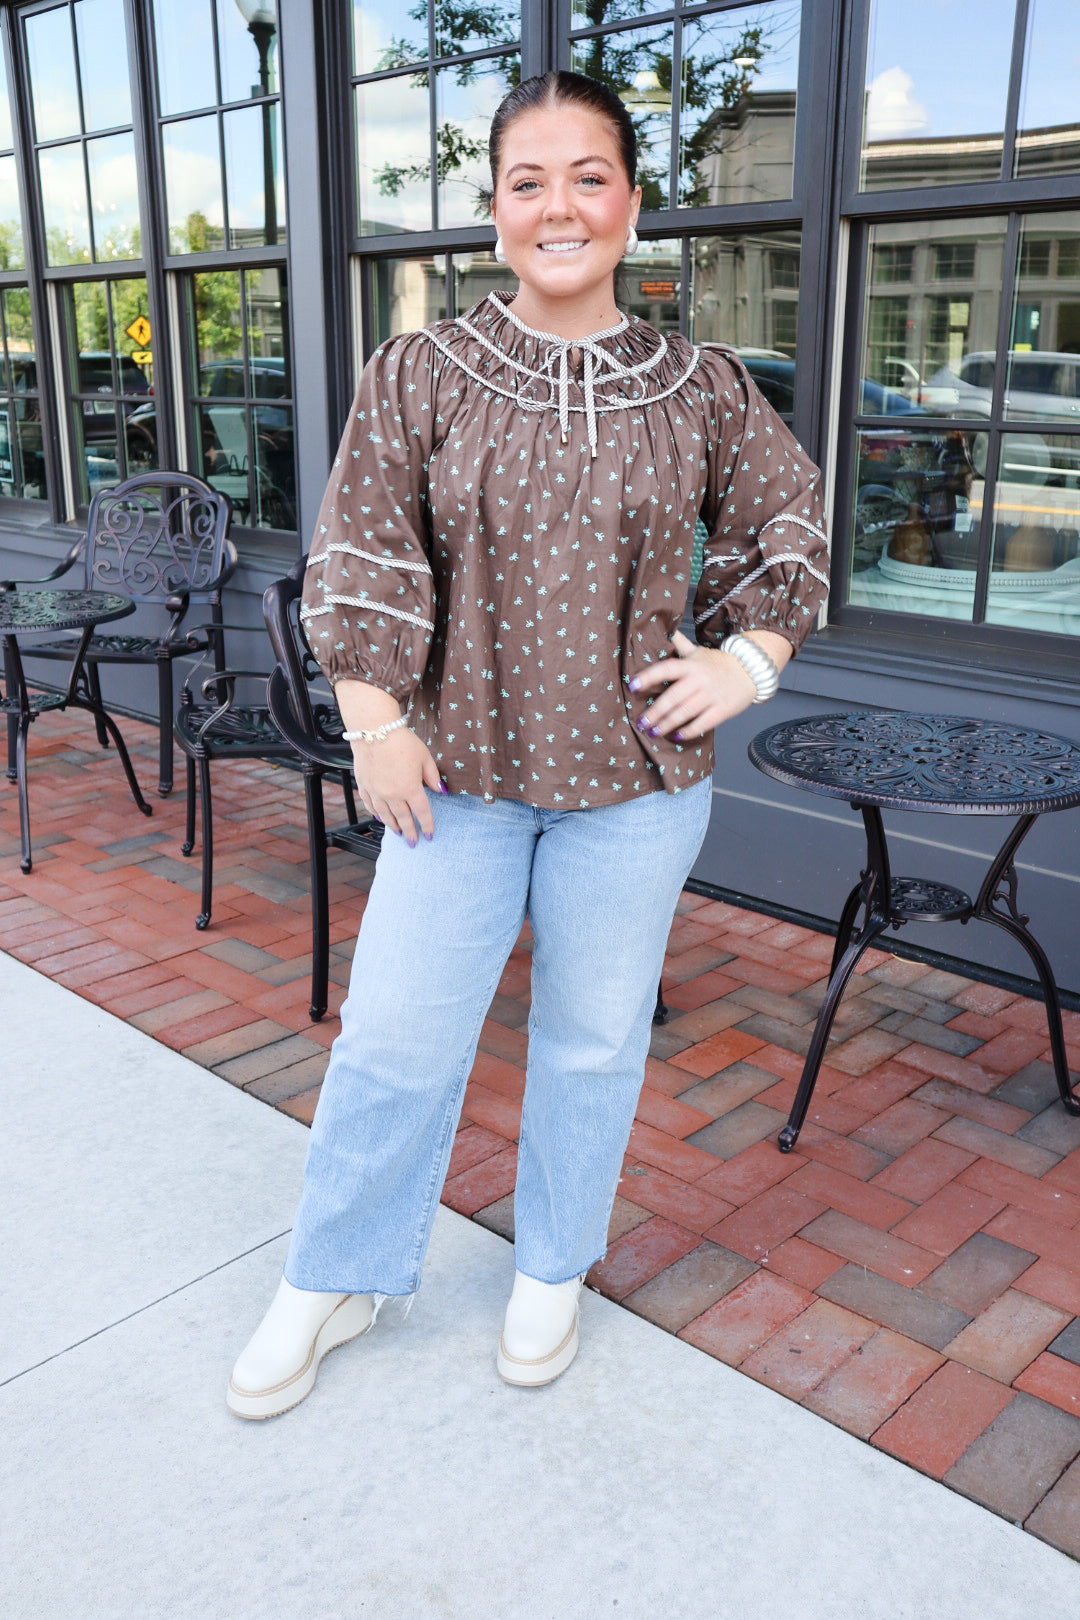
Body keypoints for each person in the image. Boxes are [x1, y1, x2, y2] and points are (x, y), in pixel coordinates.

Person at [227, 70, 829, 1420]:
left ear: (631, 203)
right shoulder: (421, 371)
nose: (560, 206)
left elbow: (788, 524)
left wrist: (746, 662)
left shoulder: (703, 386)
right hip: (457, 778)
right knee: (394, 1036)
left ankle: (552, 1268)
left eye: (588, 177)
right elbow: (361, 548)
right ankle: (336, 1275)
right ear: (496, 210)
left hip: (639, 786)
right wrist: (373, 721)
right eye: (528, 181)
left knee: (592, 1041)